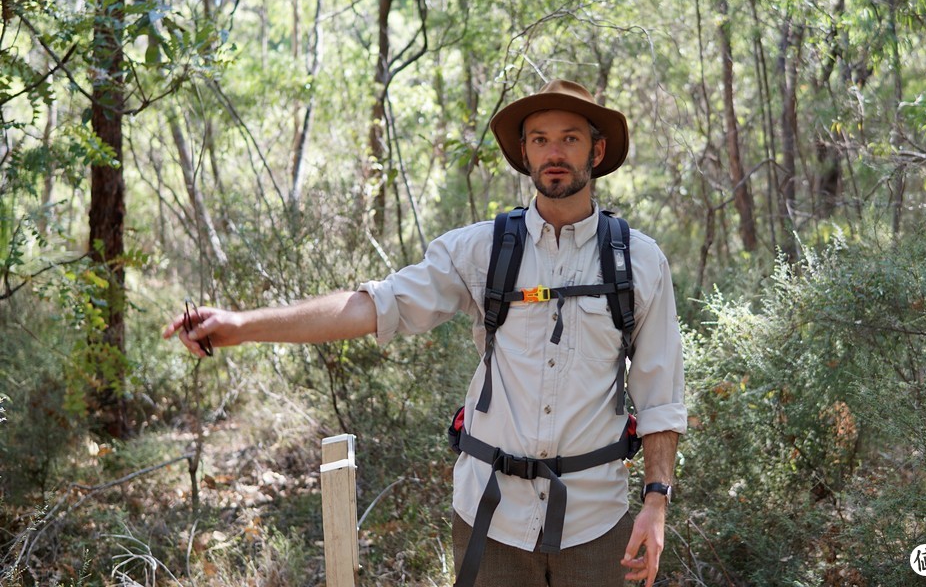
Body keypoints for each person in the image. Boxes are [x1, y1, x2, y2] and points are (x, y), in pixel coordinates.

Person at [164, 79, 686, 587]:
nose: (555, 152)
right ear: (523, 154)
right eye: (540, 139)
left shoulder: (638, 262)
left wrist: (656, 501)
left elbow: (660, 393)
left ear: (596, 151)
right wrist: (242, 325)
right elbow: (371, 307)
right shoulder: (481, 251)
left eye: (570, 138)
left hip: (596, 522)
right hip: (491, 517)